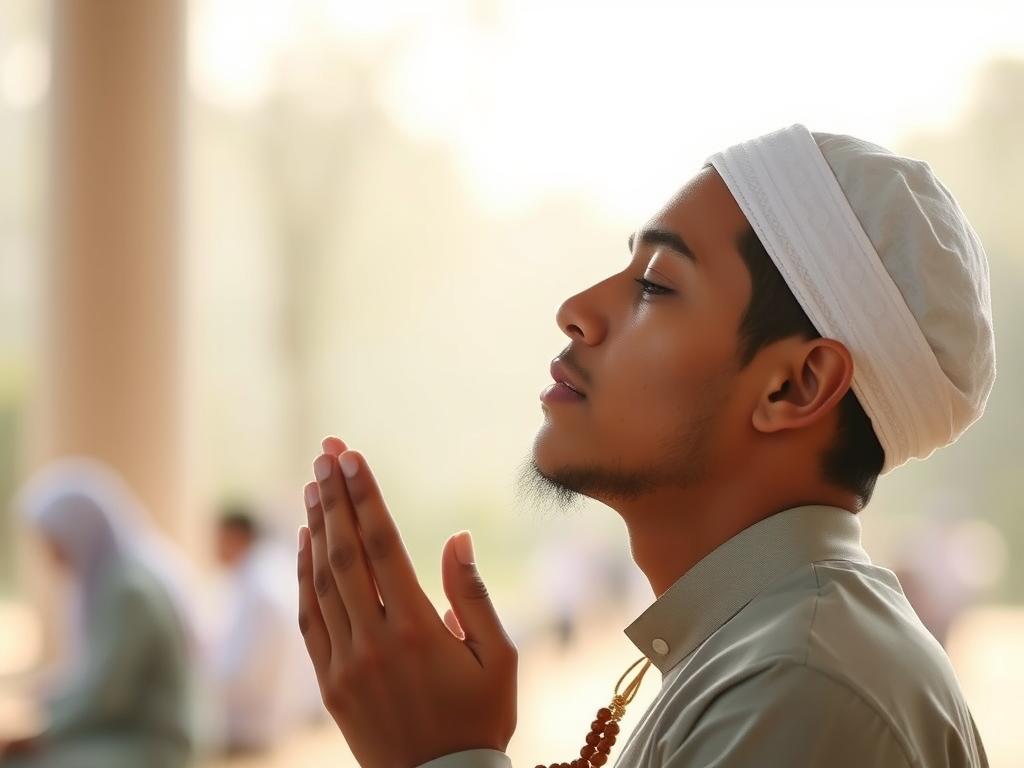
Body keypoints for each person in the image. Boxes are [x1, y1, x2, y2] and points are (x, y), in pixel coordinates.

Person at [294, 124, 994, 768]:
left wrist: (440, 755)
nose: (577, 309)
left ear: (796, 386)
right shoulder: (766, 651)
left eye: (656, 285)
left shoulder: (800, 683)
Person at [0, 458, 198, 768]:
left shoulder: (128, 591)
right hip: (125, 731)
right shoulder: (114, 579)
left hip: (153, 743)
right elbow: (97, 681)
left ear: (77, 530)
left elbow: (109, 698)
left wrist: (40, 735)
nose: (50, 554)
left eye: (53, 540)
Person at [207, 503, 323, 754]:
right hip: (271, 718)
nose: (212, 547)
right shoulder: (261, 575)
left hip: (250, 726)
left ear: (235, 536)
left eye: (217, 538)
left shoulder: (260, 589)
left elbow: (244, 674)